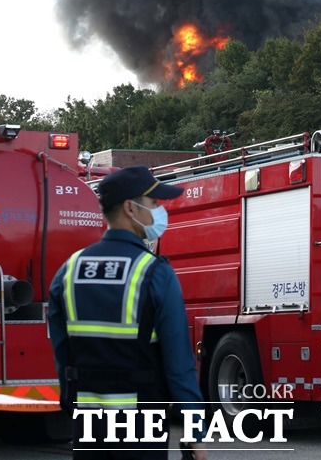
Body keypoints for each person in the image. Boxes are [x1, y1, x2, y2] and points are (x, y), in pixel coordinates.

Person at [48, 165, 207, 459]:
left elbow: (62, 354)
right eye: (154, 203)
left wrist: (74, 405)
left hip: (89, 430)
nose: (160, 210)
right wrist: (194, 431)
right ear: (130, 208)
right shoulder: (154, 273)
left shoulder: (68, 271)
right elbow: (179, 365)